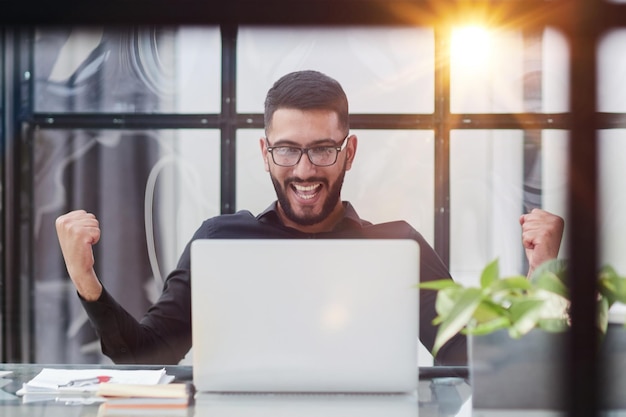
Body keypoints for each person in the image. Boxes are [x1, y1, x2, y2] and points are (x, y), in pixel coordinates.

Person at [55, 70, 565, 366]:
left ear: (349, 152)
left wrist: (541, 275)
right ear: (264, 152)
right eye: (287, 150)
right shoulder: (220, 241)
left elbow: (471, 360)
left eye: (323, 150)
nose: (304, 170)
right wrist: (86, 278)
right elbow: (145, 355)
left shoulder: (398, 249)